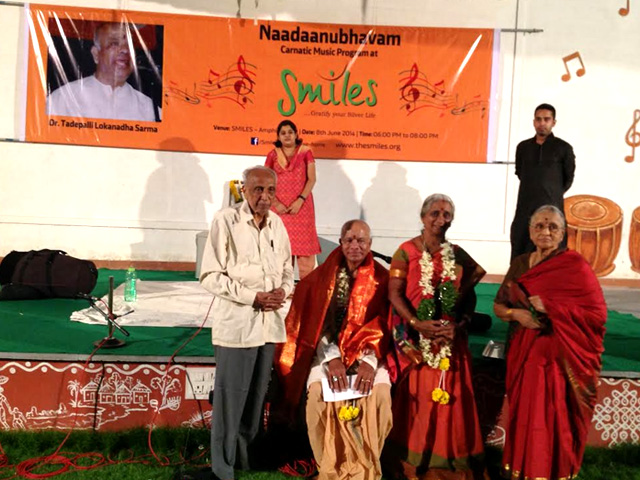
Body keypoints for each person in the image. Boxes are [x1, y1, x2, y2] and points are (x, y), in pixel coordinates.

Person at [494, 205, 607, 480]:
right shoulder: (521, 263)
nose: (546, 231)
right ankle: (521, 469)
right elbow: (498, 305)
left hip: (561, 357)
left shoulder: (574, 266)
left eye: (553, 227)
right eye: (540, 226)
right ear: (531, 232)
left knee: (552, 418)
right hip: (524, 350)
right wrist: (515, 314)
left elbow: (597, 315)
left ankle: (552, 470)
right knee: (525, 415)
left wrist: (552, 307)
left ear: (562, 233)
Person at [274, 219, 392, 480]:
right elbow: (314, 328)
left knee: (380, 397)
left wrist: (369, 362)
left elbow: (386, 325)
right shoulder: (321, 278)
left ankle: (365, 467)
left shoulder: (383, 280)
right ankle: (330, 466)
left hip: (370, 355)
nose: (355, 246)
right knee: (317, 395)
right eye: (349, 239)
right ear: (340, 243)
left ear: (370, 245)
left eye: (361, 241)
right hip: (328, 353)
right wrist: (332, 359)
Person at [382, 194, 488, 480]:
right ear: (422, 217)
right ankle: (414, 457)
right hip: (419, 341)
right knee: (420, 399)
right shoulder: (406, 251)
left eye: (447, 214)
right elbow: (394, 293)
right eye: (435, 213)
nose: (441, 219)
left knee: (451, 400)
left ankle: (450, 457)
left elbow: (473, 284)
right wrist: (417, 323)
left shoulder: (456, 253)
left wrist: (461, 322)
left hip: (450, 340)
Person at [198, 166, 294, 480]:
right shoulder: (226, 221)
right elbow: (210, 276)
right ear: (244, 189)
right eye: (257, 190)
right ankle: (222, 469)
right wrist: (253, 297)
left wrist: (282, 291)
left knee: (255, 400)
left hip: (268, 325)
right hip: (237, 326)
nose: (264, 197)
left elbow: (287, 272)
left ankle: (245, 459)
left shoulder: (278, 225)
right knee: (230, 401)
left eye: (270, 190)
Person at [47, 22, 156, 122]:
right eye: (114, 43)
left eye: (129, 45)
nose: (125, 50)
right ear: (95, 54)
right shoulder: (62, 99)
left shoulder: (151, 110)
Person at [510, 103, 575, 260]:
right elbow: (520, 173)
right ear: (534, 122)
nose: (542, 123)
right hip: (525, 208)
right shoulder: (523, 147)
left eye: (546, 119)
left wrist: (550, 192)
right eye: (538, 119)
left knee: (553, 253)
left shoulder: (563, 148)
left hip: (552, 208)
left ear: (553, 122)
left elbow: (568, 178)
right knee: (521, 247)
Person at [265, 120, 321, 279]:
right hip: (279, 211)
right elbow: (266, 180)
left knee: (305, 252)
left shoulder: (305, 152)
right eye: (283, 133)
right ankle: (283, 288)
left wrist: (300, 201)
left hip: (301, 208)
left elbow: (312, 179)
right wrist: (276, 203)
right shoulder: (273, 155)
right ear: (278, 137)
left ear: (296, 134)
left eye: (290, 132)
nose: (287, 135)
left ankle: (305, 290)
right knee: (282, 250)